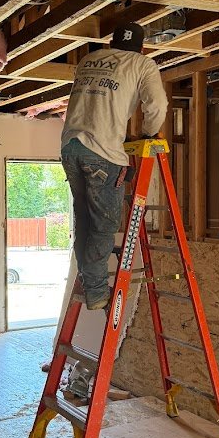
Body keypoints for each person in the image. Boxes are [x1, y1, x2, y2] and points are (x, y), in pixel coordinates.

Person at [61, 22, 168, 310]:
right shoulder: (142, 63)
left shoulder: (88, 60)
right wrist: (149, 133)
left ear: (112, 43)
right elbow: (157, 105)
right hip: (103, 154)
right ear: (142, 47)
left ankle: (89, 279)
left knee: (84, 220)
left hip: (70, 148)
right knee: (104, 224)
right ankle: (96, 292)